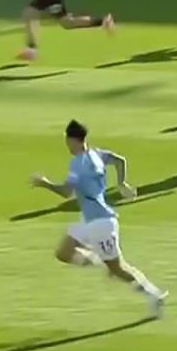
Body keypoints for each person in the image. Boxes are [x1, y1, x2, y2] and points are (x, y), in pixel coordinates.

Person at [30, 120, 168, 317]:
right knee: (63, 252)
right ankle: (102, 260)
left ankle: (154, 294)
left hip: (101, 223)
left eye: (67, 141)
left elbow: (66, 192)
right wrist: (122, 183)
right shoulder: (97, 154)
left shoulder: (78, 164)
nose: (67, 146)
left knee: (119, 268)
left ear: (73, 140)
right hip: (89, 220)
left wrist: (45, 183)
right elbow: (119, 160)